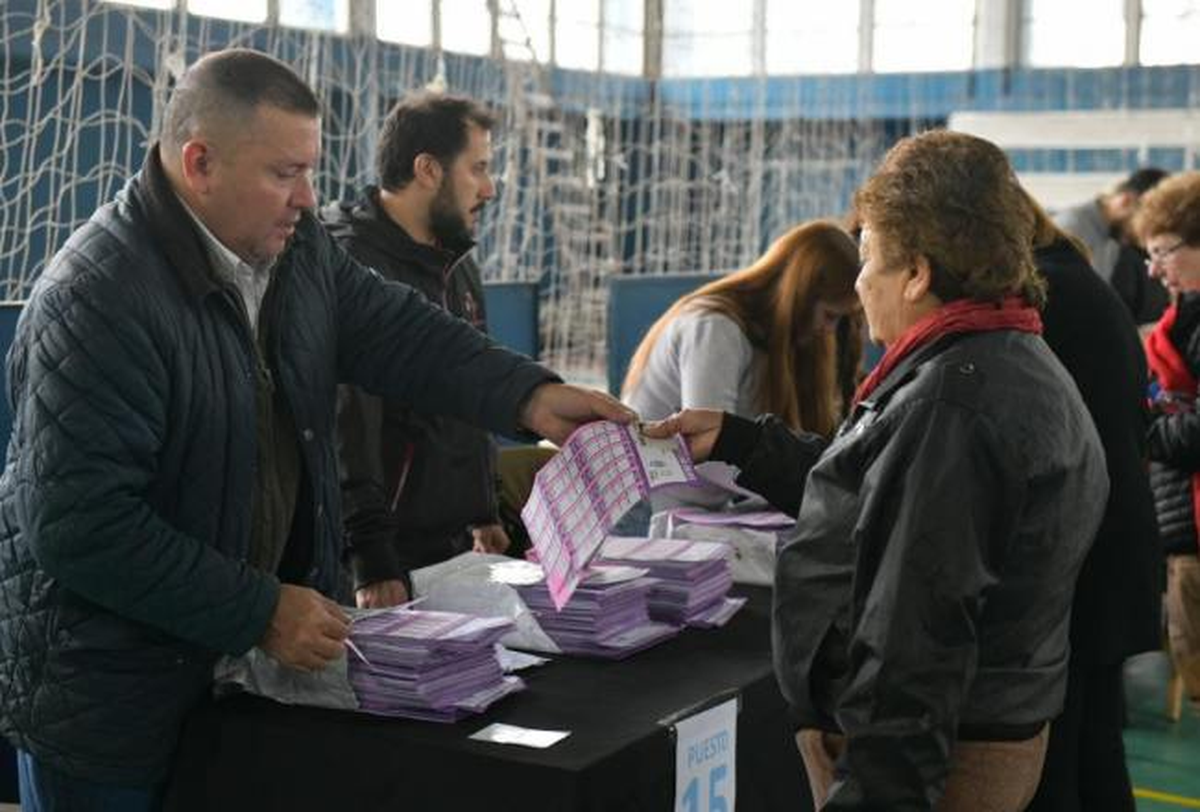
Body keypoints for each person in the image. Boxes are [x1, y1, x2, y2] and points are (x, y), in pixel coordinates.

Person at [0, 48, 631, 810]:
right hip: (113, 702)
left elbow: (399, 332)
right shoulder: (97, 298)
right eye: (283, 174)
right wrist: (259, 608)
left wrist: (530, 397)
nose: (307, 197)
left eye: (310, 169)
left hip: (243, 680)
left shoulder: (295, 251)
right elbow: (80, 525)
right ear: (199, 163)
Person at [648, 130, 1108, 810]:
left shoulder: (953, 404)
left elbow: (912, 647)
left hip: (933, 756)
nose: (861, 286)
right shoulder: (999, 360)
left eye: (868, 259)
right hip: (976, 728)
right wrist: (745, 442)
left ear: (917, 272)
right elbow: (875, 491)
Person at [320, 93, 509, 609]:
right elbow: (345, 423)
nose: (489, 188)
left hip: (446, 545)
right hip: (374, 562)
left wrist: (485, 508)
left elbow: (471, 391)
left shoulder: (456, 260)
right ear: (427, 169)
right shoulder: (350, 264)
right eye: (478, 169)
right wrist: (370, 557)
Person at [1020, 190, 1162, 812]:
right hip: (1113, 545)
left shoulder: (1046, 294)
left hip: (1081, 556)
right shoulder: (1076, 276)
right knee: (1096, 754)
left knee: (1064, 763)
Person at [622, 219, 862, 436]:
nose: (830, 330)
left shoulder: (784, 340)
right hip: (661, 480)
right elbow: (710, 451)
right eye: (829, 315)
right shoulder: (714, 328)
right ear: (799, 297)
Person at [1136, 172, 1200, 712]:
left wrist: (1144, 430)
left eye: (1164, 253)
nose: (1154, 271)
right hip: (1184, 532)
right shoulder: (1179, 327)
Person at [1054, 167, 1168, 286]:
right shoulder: (1073, 230)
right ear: (1125, 201)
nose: (1144, 230)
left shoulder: (1107, 234)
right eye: (1146, 218)